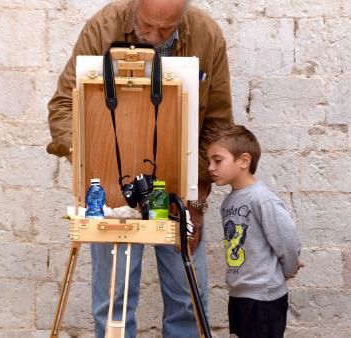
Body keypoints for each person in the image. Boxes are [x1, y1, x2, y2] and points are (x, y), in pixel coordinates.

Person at [46, 0, 233, 336]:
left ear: (183, 16)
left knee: (188, 301)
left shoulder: (206, 34)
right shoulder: (103, 27)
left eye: (166, 30)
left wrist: (198, 201)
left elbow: (218, 125)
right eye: (147, 26)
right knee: (113, 304)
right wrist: (86, 158)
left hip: (178, 188)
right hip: (112, 187)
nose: (154, 35)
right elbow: (63, 105)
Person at [205, 124, 303, 338]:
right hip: (239, 294)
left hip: (265, 298)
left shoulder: (262, 199)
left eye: (217, 160)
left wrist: (287, 270)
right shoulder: (228, 202)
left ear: (244, 160)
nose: (211, 167)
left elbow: (287, 240)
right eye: (209, 161)